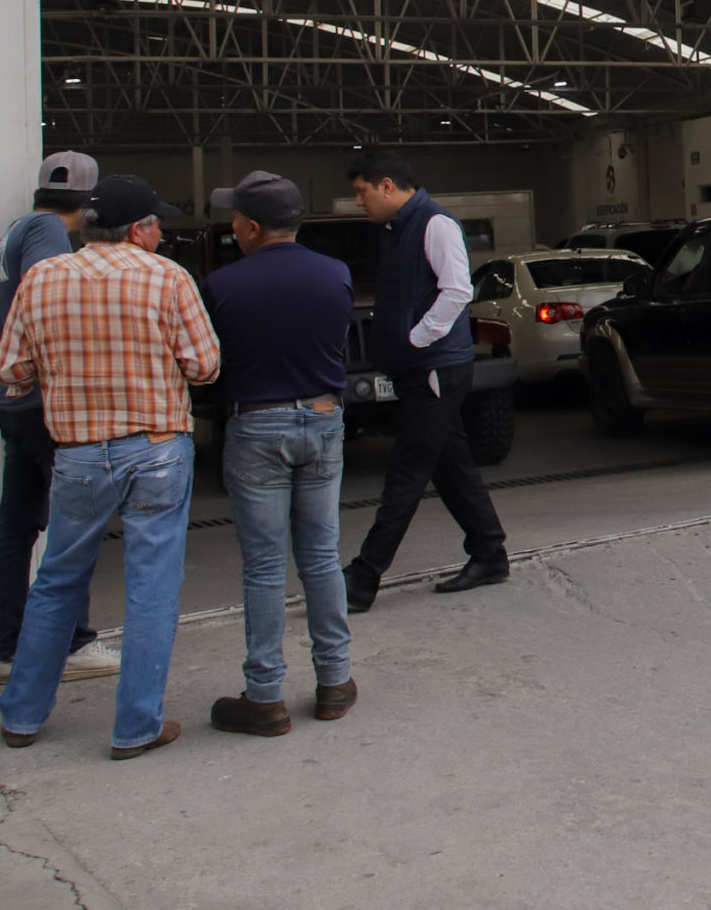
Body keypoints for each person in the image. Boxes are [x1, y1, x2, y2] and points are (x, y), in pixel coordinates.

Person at [0, 175, 219, 759]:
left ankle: (20, 717)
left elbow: (11, 370)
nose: (162, 233)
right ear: (140, 231)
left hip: (78, 454)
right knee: (152, 587)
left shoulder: (41, 278)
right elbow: (204, 367)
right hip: (156, 448)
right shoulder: (167, 278)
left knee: (57, 581)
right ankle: (136, 726)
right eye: (157, 224)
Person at [200, 172, 357, 736]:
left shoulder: (223, 285)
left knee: (265, 566)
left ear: (251, 226)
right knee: (321, 555)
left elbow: (210, 365)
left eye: (236, 220)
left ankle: (265, 696)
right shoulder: (335, 275)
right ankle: (335, 682)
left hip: (256, 426)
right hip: (322, 418)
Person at [341, 150, 509, 612]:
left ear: (388, 185)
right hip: (421, 369)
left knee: (407, 471)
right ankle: (489, 552)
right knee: (449, 463)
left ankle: (363, 577)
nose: (360, 202)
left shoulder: (435, 223)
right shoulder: (398, 230)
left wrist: (418, 338)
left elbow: (457, 289)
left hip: (435, 368)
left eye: (362, 192)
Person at [0, 150, 117, 687]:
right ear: (87, 204)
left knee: (15, 528)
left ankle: (10, 649)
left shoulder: (12, 231)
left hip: (13, 400)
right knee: (74, 525)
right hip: (43, 403)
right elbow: (50, 301)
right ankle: (76, 643)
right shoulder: (44, 233)